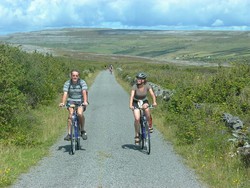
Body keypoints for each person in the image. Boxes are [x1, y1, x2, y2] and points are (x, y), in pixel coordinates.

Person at [59, 70, 89, 141]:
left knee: (79, 113)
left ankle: (82, 130)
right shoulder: (67, 83)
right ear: (71, 76)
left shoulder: (82, 82)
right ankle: (69, 134)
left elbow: (84, 92)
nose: (75, 77)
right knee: (70, 115)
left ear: (78, 76)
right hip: (71, 101)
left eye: (76, 76)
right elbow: (65, 93)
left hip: (80, 101)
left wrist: (85, 101)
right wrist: (63, 102)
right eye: (73, 75)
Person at [129, 72, 157, 145]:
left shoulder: (147, 85)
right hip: (135, 102)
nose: (138, 80)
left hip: (144, 101)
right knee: (137, 119)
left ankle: (149, 125)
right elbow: (132, 96)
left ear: (143, 80)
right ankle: (137, 135)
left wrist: (154, 102)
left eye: (140, 79)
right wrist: (130, 105)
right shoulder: (135, 86)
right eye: (137, 78)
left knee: (147, 109)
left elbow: (152, 94)